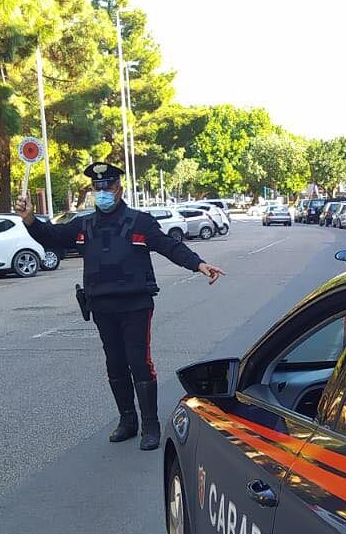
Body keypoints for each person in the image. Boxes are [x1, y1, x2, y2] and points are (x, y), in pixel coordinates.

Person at [22, 159, 224, 450]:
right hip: (102, 306)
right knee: (114, 364)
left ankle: (150, 426)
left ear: (119, 188)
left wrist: (199, 264)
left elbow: (169, 246)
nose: (102, 192)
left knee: (139, 363)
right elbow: (52, 236)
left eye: (108, 186)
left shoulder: (139, 222)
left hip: (135, 305)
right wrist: (30, 220)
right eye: (97, 187)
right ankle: (127, 421)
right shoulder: (84, 225)